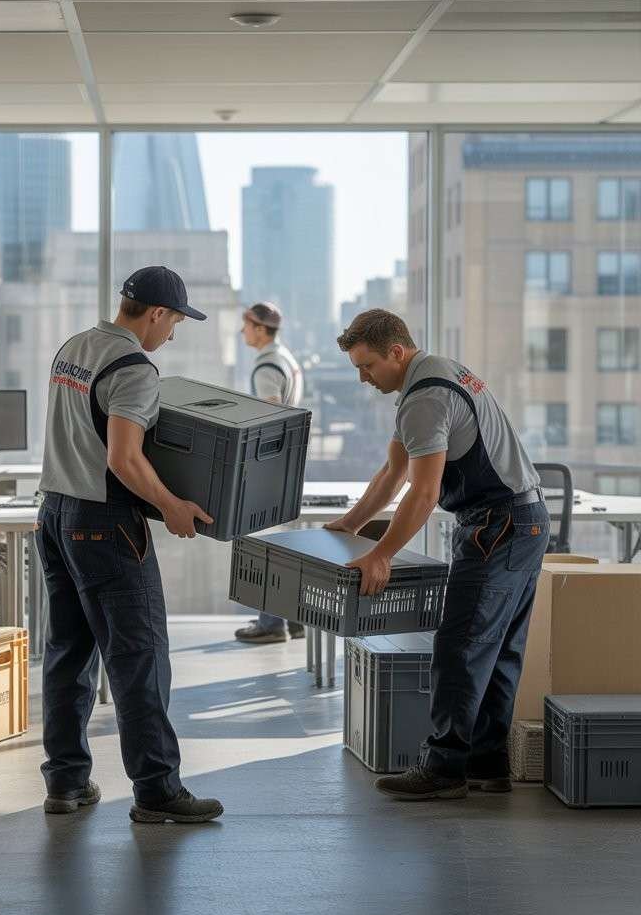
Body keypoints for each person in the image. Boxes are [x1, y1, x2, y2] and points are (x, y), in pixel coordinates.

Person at [327, 309, 548, 800]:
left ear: (396, 352)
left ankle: (444, 768)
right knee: (497, 650)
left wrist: (381, 554)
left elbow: (422, 493)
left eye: (367, 366)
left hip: (499, 524)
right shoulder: (436, 374)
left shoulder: (425, 398)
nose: (363, 378)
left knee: (460, 648)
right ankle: (487, 765)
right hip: (522, 520)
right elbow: (393, 470)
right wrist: (351, 524)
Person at [35, 265, 224, 824]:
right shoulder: (135, 367)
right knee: (139, 657)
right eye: (175, 322)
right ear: (157, 313)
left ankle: (66, 784)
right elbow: (123, 457)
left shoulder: (75, 346)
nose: (173, 334)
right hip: (106, 523)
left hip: (56, 515)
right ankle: (157, 790)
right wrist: (172, 506)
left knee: (69, 653)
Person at [235, 301, 306, 644]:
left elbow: (272, 418)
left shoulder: (265, 367)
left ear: (261, 329)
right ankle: (291, 619)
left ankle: (271, 623)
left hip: (269, 468)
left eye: (246, 325)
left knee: (263, 545)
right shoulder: (286, 358)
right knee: (282, 544)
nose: (242, 330)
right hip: (287, 466)